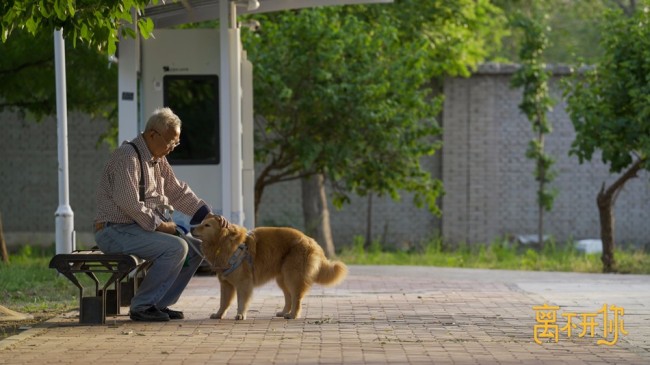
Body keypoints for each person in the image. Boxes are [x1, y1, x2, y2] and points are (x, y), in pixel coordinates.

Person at [93, 107, 228, 322]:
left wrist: (207, 215)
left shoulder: (157, 159)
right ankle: (142, 306)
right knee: (176, 247)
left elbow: (177, 191)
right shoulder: (127, 157)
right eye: (170, 141)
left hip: (137, 229)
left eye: (176, 143)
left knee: (196, 250)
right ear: (152, 134)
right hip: (113, 231)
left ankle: (158, 303)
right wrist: (162, 226)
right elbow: (129, 204)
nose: (172, 147)